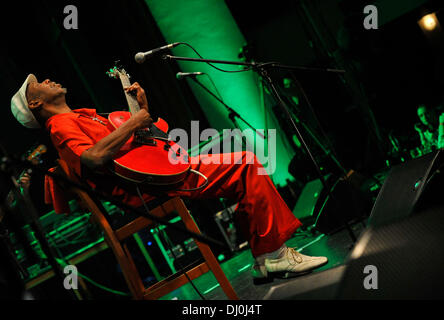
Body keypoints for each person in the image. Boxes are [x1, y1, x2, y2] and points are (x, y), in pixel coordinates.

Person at [11, 74, 328, 283]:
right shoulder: (59, 126)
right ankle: (274, 255)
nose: (48, 80)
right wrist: (136, 120)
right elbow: (93, 158)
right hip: (147, 188)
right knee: (246, 163)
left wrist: (143, 111)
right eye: (39, 84)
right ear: (36, 103)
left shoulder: (80, 115)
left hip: (154, 175)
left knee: (244, 165)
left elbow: (140, 143)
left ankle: (267, 257)